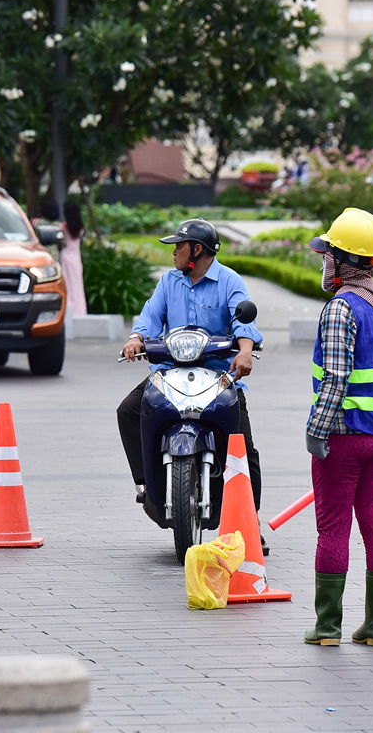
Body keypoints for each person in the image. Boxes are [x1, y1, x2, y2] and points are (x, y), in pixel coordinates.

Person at [116, 219, 266, 550]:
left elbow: (245, 324)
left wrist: (244, 354)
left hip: (220, 374)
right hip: (171, 370)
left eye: (178, 247)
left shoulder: (229, 281)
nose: (173, 253)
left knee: (245, 445)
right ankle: (147, 482)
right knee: (128, 410)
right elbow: (150, 315)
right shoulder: (170, 281)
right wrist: (136, 337)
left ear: (197, 251)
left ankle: (250, 521)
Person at [302, 208, 373, 647]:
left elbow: (336, 378)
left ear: (345, 261)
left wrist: (316, 430)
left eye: (328, 254)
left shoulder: (341, 307)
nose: (324, 262)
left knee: (334, 528)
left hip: (346, 436)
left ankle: (327, 628)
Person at [59, 199, 87, 318]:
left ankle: (69, 310)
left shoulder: (64, 226)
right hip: (76, 257)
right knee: (77, 286)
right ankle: (80, 311)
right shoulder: (80, 226)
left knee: (67, 285)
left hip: (65, 256)